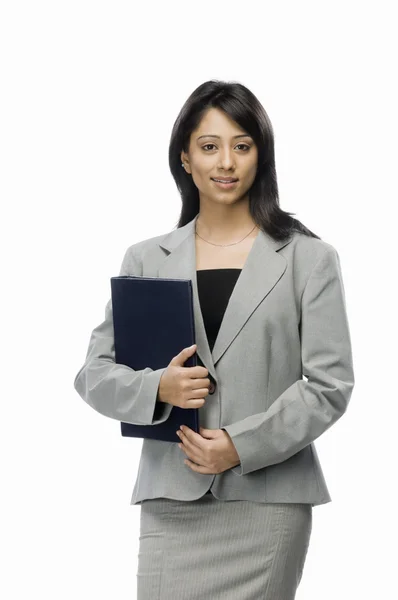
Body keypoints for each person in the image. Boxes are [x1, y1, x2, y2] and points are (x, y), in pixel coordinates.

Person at [73, 80, 355, 599]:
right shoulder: (146, 258)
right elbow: (93, 375)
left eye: (241, 146)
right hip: (171, 503)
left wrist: (240, 446)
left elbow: (329, 384)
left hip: (268, 502)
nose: (226, 162)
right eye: (209, 146)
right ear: (184, 157)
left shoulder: (308, 259)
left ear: (260, 156)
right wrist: (160, 388)